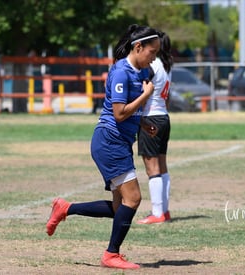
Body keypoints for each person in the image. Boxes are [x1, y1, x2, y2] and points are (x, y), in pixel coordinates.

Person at [46, 24, 160, 269]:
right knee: (134, 199)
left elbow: (130, 112)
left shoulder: (140, 72)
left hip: (118, 142)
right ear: (138, 47)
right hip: (109, 141)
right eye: (152, 52)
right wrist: (146, 95)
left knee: (121, 206)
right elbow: (118, 114)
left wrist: (143, 124)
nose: (154, 57)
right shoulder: (120, 72)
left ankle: (66, 208)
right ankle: (111, 254)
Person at [136, 31, 173, 224]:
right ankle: (164, 211)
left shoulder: (152, 65)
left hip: (150, 117)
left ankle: (157, 213)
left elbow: (143, 90)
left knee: (152, 169)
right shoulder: (167, 66)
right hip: (164, 117)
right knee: (162, 166)